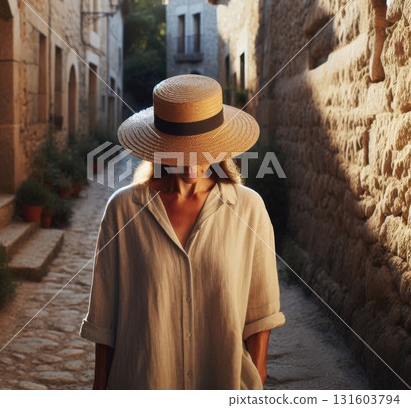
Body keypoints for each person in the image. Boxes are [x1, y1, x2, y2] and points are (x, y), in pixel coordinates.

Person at [79, 74, 285, 389]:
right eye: (179, 149)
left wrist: (256, 375)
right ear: (160, 147)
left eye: (203, 149)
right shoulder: (122, 210)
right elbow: (104, 319)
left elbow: (262, 309)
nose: (191, 163)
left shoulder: (248, 210)